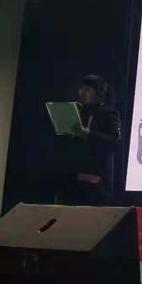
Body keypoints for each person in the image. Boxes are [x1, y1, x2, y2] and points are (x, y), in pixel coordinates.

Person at [54, 74, 121, 206]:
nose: (82, 93)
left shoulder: (108, 113)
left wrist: (89, 135)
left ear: (99, 93)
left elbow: (115, 142)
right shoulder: (77, 111)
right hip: (72, 177)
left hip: (95, 179)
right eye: (81, 89)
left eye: (88, 90)